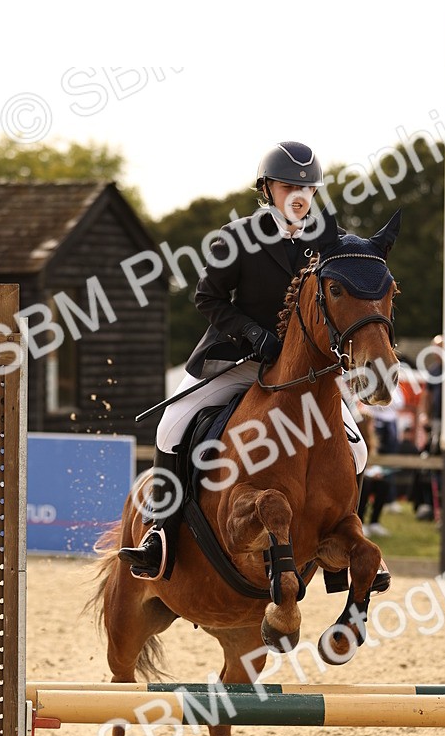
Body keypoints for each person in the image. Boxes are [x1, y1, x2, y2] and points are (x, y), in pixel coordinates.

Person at [119, 141, 379, 584]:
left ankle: (340, 542)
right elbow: (208, 298)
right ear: (267, 189)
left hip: (302, 370)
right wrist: (254, 334)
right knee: (171, 426)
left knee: (355, 446)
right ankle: (160, 535)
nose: (298, 194)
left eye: (306, 187)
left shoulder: (329, 243)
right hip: (236, 358)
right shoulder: (236, 237)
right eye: (287, 185)